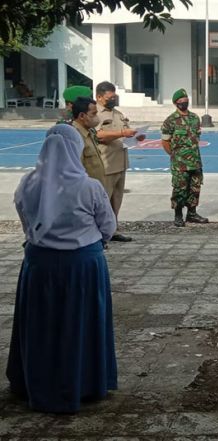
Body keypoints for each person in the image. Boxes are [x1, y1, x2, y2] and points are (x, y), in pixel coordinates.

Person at [6, 124, 118, 413]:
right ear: (75, 148)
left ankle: (34, 382)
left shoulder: (27, 184)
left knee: (41, 324)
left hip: (38, 265)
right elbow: (107, 226)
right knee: (80, 323)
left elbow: (27, 222)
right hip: (82, 266)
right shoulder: (88, 186)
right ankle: (85, 383)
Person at [95, 81, 141, 242]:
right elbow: (98, 135)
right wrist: (122, 132)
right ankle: (98, 234)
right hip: (105, 163)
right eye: (110, 97)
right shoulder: (94, 114)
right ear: (99, 97)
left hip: (120, 162)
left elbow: (126, 133)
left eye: (114, 96)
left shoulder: (118, 114)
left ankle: (112, 230)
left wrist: (136, 136)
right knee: (103, 200)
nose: (113, 99)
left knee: (116, 199)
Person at [161, 89, 209, 227]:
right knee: (179, 190)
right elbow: (165, 142)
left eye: (186, 99)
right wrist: (175, 156)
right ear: (176, 103)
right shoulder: (170, 121)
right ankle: (178, 215)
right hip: (180, 163)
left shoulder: (195, 118)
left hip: (195, 161)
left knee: (195, 188)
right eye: (181, 100)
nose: (184, 102)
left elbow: (196, 137)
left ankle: (192, 214)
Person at [71, 96, 106, 188]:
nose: (96, 117)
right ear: (82, 116)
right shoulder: (75, 137)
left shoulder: (89, 132)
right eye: (93, 114)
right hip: (86, 191)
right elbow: (75, 171)